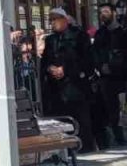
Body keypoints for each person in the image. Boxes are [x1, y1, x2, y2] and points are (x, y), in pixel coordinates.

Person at [39, 8, 96, 153]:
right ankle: (62, 150)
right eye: (50, 20)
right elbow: (45, 60)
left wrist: (65, 70)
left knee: (80, 120)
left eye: (55, 19)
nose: (52, 23)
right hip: (56, 88)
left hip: (75, 85)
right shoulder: (50, 39)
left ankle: (84, 148)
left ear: (65, 20)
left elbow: (87, 60)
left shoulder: (79, 36)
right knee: (58, 119)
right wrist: (50, 68)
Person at [91, 3, 127, 148]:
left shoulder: (123, 33)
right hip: (105, 78)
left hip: (122, 78)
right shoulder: (100, 34)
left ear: (113, 13)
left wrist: (114, 66)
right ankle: (118, 138)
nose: (103, 14)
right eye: (101, 12)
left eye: (106, 11)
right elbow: (94, 53)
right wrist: (100, 66)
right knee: (111, 109)